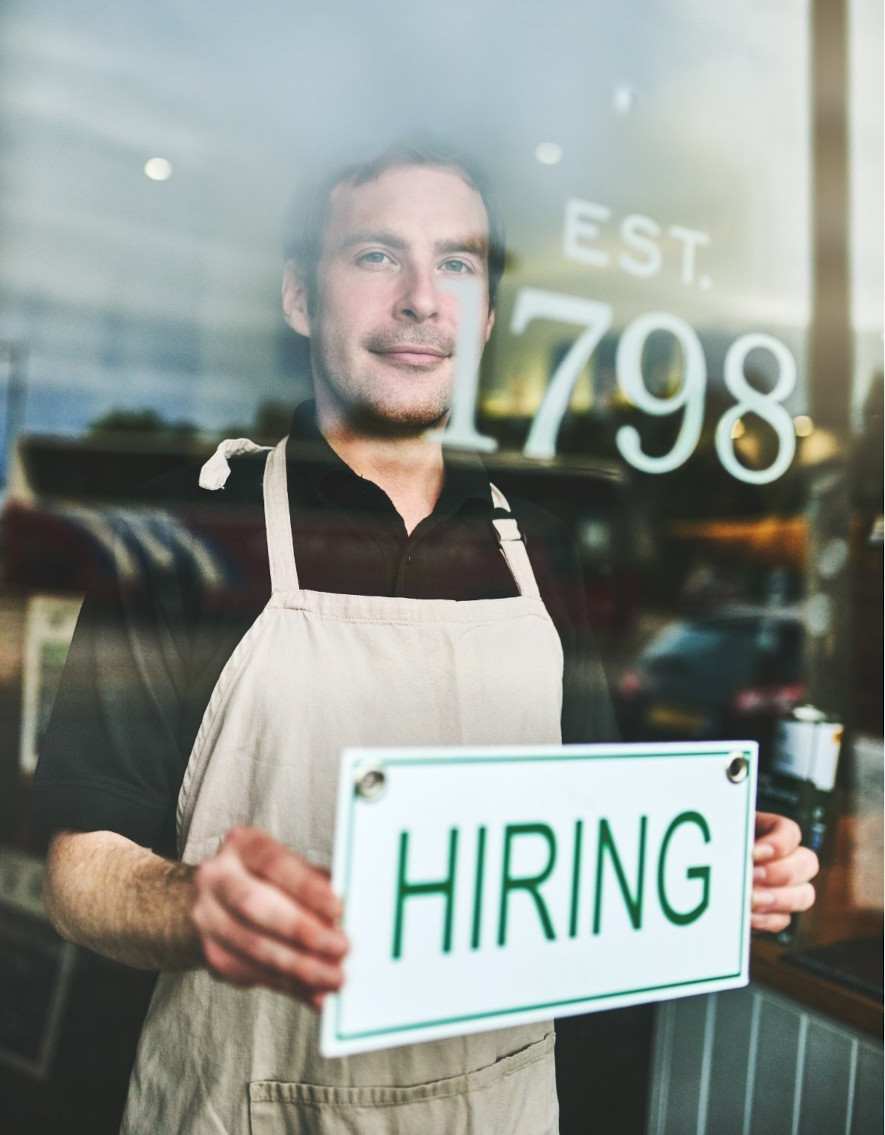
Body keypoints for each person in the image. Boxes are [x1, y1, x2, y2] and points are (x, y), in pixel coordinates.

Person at [36, 145, 818, 1134]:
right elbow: (79, 868)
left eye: (457, 264)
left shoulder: (543, 553)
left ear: (486, 314)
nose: (420, 298)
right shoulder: (187, 537)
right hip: (241, 1104)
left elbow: (583, 846)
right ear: (297, 297)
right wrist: (194, 905)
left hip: (502, 1103)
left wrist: (704, 872)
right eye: (374, 256)